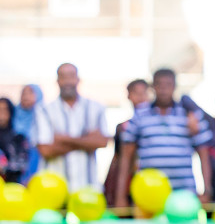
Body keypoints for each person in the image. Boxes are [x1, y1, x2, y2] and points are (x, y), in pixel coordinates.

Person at [114, 69, 213, 207]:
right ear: (153, 87)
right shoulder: (140, 115)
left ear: (174, 87)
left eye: (168, 84)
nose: (164, 89)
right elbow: (126, 157)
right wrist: (120, 196)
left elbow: (204, 154)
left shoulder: (190, 116)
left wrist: (207, 190)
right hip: (148, 194)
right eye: (160, 85)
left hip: (183, 194)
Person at [32, 63, 112, 191]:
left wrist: (63, 139)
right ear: (57, 81)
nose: (68, 81)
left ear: (78, 79)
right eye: (63, 77)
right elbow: (46, 150)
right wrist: (86, 140)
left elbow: (102, 141)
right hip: (53, 190)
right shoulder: (44, 109)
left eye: (71, 76)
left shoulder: (95, 107)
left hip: (88, 188)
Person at [102, 79, 150, 205]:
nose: (140, 97)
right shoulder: (122, 127)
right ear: (128, 95)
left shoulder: (154, 125)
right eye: (136, 93)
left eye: (144, 93)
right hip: (129, 180)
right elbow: (117, 158)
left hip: (149, 180)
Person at [13, 83, 42, 181]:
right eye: (23, 93)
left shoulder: (44, 117)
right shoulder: (12, 115)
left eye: (30, 93)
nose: (26, 96)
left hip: (38, 165)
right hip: (14, 169)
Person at [0, 97, 30, 183]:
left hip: (11, 187)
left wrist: (3, 167)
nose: (1, 113)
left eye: (4, 110)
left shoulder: (18, 137)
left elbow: (21, 165)